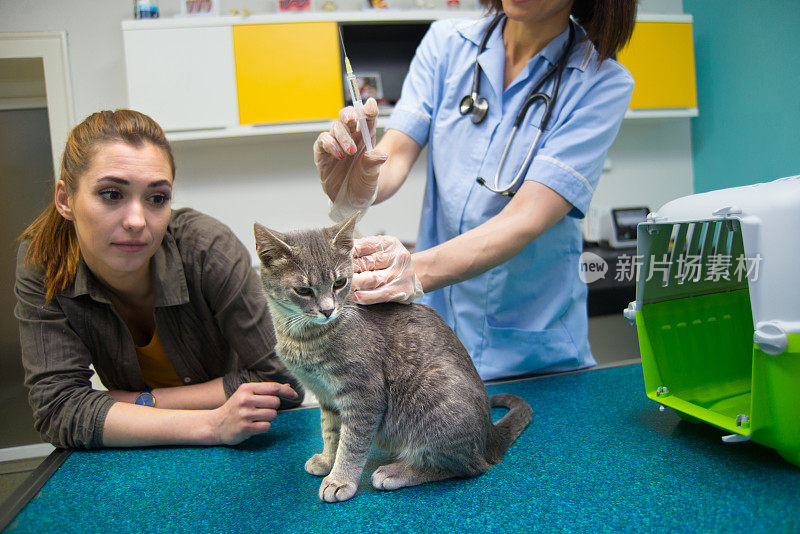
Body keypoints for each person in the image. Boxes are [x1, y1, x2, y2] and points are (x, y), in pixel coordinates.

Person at [314, 0, 636, 380]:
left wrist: (411, 270)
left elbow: (523, 220)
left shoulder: (600, 82)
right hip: (436, 348)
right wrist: (357, 184)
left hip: (534, 361)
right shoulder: (446, 45)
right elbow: (394, 155)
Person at [15, 110, 303, 450]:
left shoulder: (206, 248)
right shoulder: (44, 261)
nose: (137, 220)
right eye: (111, 194)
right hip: (142, 456)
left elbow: (284, 378)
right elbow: (58, 409)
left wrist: (140, 401)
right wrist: (212, 424)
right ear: (65, 199)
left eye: (156, 199)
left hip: (240, 447)